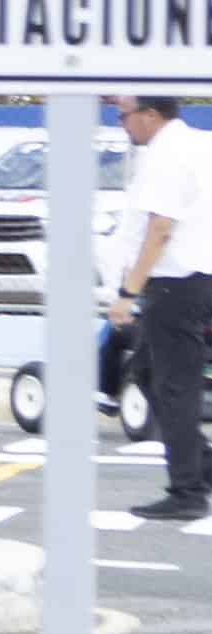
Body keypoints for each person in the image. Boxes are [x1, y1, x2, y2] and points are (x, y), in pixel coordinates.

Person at [113, 92, 212, 522]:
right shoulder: (199, 143)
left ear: (150, 114)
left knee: (175, 388)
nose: (121, 124)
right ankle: (202, 467)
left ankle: (187, 492)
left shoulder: (167, 154)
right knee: (148, 374)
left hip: (176, 284)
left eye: (124, 115)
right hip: (195, 279)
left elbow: (160, 228)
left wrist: (128, 292)